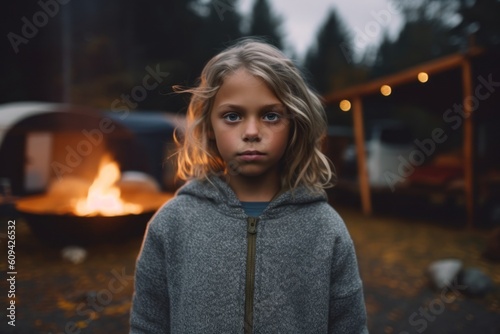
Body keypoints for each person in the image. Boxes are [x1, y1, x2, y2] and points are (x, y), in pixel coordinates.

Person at [129, 38, 368, 333]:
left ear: (294, 124)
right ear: (209, 127)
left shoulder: (325, 228)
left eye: (270, 115)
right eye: (233, 116)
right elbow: (147, 326)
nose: (252, 132)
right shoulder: (172, 223)